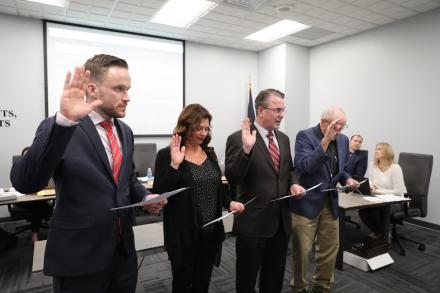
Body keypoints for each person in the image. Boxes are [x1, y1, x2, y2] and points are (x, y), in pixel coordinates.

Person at [10, 54, 166, 293]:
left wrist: (145, 198)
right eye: (119, 89)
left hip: (123, 253)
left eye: (128, 89)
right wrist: (64, 121)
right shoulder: (63, 127)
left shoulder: (125, 131)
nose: (127, 97)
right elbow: (25, 182)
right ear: (92, 89)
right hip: (79, 257)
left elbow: (127, 180)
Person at [153, 103, 245, 293]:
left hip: (210, 231)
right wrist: (174, 165)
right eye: (198, 129)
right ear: (185, 128)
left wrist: (229, 202)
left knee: (202, 283)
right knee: (182, 283)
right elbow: (160, 194)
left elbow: (218, 188)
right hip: (184, 233)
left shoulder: (209, 153)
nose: (203, 133)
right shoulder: (166, 154)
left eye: (206, 128)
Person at [225, 88, 304, 293]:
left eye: (283, 110)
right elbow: (233, 178)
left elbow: (290, 170)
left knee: (274, 278)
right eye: (277, 110)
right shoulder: (238, 138)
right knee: (247, 279)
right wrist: (246, 150)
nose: (281, 115)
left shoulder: (284, 139)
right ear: (260, 110)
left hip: (280, 222)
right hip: (252, 223)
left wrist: (294, 183)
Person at [291, 106, 358, 293]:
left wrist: (347, 179)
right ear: (323, 123)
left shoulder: (344, 140)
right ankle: (299, 287)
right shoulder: (304, 136)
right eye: (337, 126)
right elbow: (304, 167)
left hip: (330, 201)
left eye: (343, 126)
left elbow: (339, 168)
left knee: (330, 249)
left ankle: (322, 286)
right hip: (306, 202)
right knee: (303, 251)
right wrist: (326, 141)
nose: (340, 131)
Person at [359, 142, 407, 239]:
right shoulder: (373, 164)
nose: (376, 151)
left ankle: (384, 235)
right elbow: (370, 180)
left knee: (375, 213)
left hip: (396, 200)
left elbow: (398, 190)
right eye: (376, 148)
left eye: (379, 149)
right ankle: (380, 233)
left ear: (387, 152)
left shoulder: (395, 168)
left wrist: (378, 191)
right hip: (377, 198)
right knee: (363, 212)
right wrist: (371, 186)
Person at [11, 146, 53, 243]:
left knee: (37, 204)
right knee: (38, 206)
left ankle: (35, 233)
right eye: (25, 157)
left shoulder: (40, 169)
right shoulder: (17, 170)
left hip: (38, 199)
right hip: (22, 200)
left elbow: (48, 185)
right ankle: (35, 234)